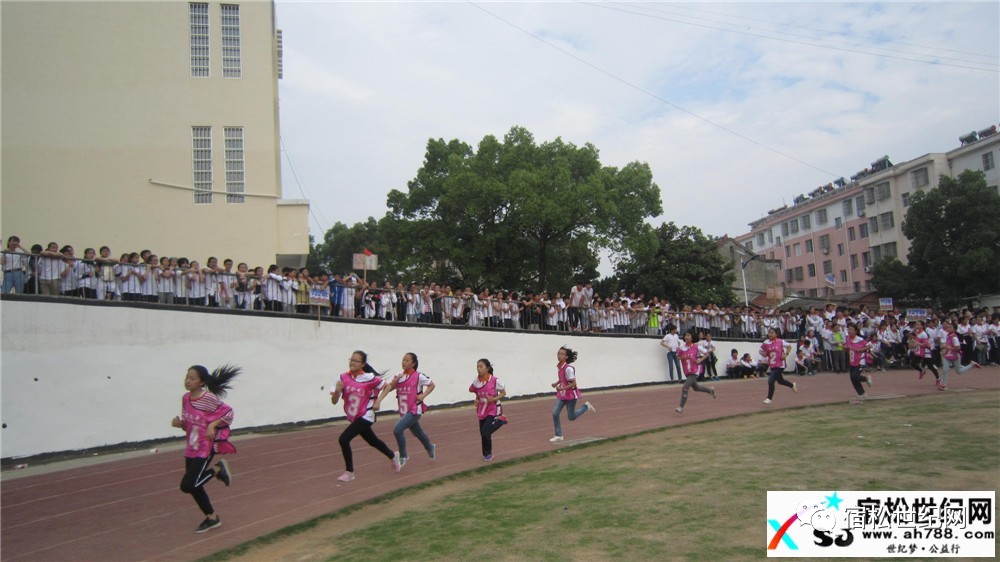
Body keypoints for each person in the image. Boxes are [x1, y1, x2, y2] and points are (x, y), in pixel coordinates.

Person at [170, 364, 240, 534]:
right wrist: (180, 424)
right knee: (195, 486)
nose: (188, 381)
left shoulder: (208, 398)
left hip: (205, 446)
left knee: (187, 486)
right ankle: (212, 518)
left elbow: (229, 414)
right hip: (192, 446)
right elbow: (188, 425)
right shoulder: (186, 398)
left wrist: (213, 425)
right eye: (187, 377)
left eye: (192, 378)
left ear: (201, 382)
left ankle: (217, 469)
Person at [329, 350, 401, 482]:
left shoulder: (369, 378)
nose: (353, 362)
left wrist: (378, 401)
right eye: (351, 359)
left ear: (363, 364)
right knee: (372, 441)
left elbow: (387, 386)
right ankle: (393, 455)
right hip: (355, 416)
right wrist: (337, 391)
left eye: (356, 361)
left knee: (343, 439)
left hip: (366, 414)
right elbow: (334, 402)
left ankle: (349, 472)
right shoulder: (342, 378)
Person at [374, 352, 437, 468]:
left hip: (414, 410)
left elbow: (432, 385)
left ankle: (403, 455)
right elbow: (389, 388)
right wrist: (379, 400)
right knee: (418, 432)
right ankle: (430, 447)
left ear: (413, 363)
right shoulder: (399, 376)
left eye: (407, 360)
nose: (404, 362)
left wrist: (423, 396)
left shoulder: (419, 376)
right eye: (403, 360)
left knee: (397, 429)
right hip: (404, 411)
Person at [548, 346, 596, 442]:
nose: (559, 355)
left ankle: (586, 407)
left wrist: (561, 387)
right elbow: (563, 378)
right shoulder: (559, 367)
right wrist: (556, 383)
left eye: (562, 353)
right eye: (558, 353)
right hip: (562, 395)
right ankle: (558, 435)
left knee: (571, 417)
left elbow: (573, 383)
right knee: (555, 413)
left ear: (566, 357)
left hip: (570, 395)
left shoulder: (568, 369)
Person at [469, 358, 507, 462]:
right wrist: (476, 399)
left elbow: (504, 393)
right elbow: (475, 391)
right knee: (483, 433)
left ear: (487, 368)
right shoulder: (476, 382)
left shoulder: (494, 381)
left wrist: (494, 399)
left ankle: (500, 421)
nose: (478, 369)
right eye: (477, 367)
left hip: (492, 409)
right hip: (482, 410)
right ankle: (486, 454)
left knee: (486, 432)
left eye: (481, 367)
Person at [675, 332, 717, 413]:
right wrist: (681, 358)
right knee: (696, 388)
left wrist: (700, 360)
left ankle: (681, 407)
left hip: (695, 370)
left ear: (692, 337)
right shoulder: (682, 348)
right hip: (687, 370)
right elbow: (677, 357)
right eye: (685, 335)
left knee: (685, 387)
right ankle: (710, 390)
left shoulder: (696, 347)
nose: (686, 337)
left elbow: (706, 353)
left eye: (688, 335)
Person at [939, 321, 981, 390]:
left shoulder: (954, 337)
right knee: (945, 369)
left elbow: (958, 347)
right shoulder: (948, 336)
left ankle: (972, 364)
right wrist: (945, 349)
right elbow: (947, 345)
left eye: (950, 327)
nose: (948, 328)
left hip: (955, 355)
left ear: (954, 330)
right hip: (948, 355)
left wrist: (949, 348)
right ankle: (943, 384)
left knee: (959, 371)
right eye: (948, 327)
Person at [761, 328, 796, 405]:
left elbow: (789, 346)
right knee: (780, 381)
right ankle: (792, 385)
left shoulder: (781, 341)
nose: (770, 334)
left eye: (772, 333)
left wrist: (786, 354)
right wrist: (762, 353)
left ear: (776, 334)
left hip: (780, 364)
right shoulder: (766, 342)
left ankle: (769, 398)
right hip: (772, 364)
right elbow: (761, 350)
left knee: (770, 380)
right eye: (769, 332)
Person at [844, 324, 873, 400]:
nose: (849, 331)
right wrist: (845, 348)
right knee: (852, 378)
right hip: (852, 361)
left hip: (860, 361)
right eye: (848, 329)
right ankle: (862, 393)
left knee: (855, 376)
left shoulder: (859, 339)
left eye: (851, 330)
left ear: (855, 331)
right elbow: (846, 348)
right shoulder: (847, 339)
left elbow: (869, 345)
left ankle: (866, 378)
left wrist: (861, 349)